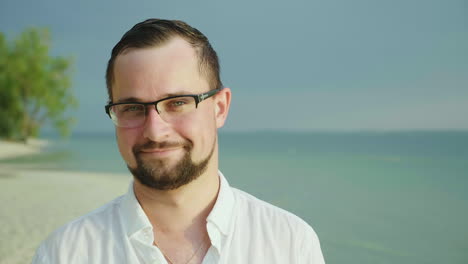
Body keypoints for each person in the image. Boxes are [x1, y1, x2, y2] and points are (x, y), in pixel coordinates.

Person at [32, 18, 325, 264]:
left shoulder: (290, 244)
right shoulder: (64, 253)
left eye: (177, 103)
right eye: (132, 108)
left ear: (220, 107)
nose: (155, 132)